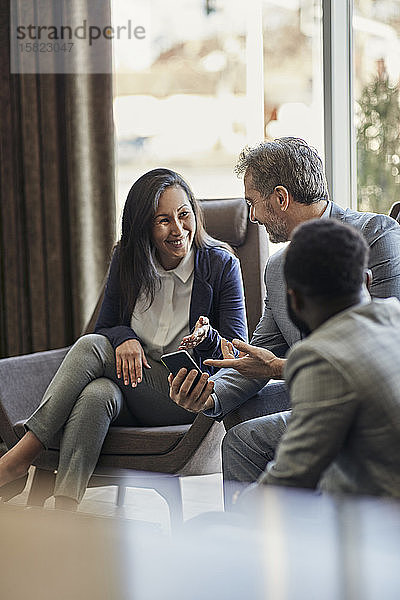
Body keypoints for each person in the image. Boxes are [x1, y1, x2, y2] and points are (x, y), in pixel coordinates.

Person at [0, 168, 247, 509]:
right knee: (96, 395)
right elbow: (106, 327)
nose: (178, 230)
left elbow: (237, 349)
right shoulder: (127, 259)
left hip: (182, 397)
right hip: (130, 388)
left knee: (90, 347)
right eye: (163, 220)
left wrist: (207, 338)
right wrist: (125, 337)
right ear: (143, 226)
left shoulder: (220, 265)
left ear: (195, 213)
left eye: (184, 215)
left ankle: (19, 458)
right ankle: (65, 511)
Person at [168, 137, 400, 491]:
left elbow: (378, 351)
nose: (252, 217)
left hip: (370, 396)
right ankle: (281, 530)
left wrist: (277, 367)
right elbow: (257, 355)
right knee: (240, 412)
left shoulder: (376, 237)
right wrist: (208, 396)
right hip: (308, 384)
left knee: (243, 442)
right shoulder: (277, 269)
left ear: (280, 198)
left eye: (252, 203)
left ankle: (252, 532)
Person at [224, 219, 400, 499]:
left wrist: (244, 502)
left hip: (378, 523)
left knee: (215, 523)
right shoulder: (394, 314)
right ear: (366, 279)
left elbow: (293, 477)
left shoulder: (320, 357)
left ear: (294, 300)